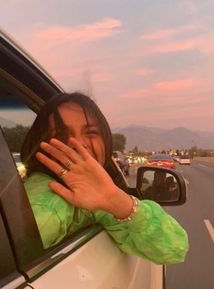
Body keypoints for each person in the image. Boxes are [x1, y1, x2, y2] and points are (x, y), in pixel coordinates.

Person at [21, 92, 189, 264]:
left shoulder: (100, 200)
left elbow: (175, 249)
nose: (79, 143)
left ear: (106, 139)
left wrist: (115, 199)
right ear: (42, 143)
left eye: (91, 132)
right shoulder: (48, 200)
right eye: (61, 134)